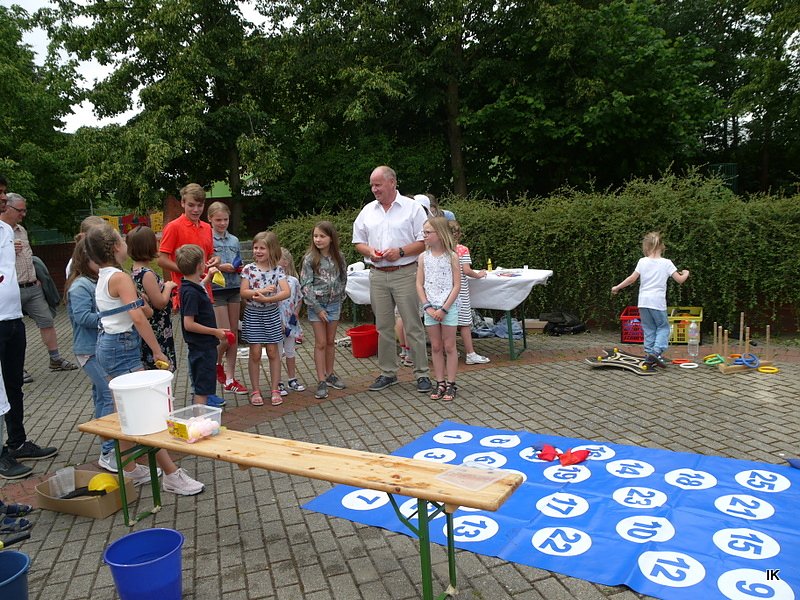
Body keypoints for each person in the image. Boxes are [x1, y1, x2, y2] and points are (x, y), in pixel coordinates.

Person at [85, 223, 204, 494]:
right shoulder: (120, 277)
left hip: (109, 345)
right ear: (116, 247)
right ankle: (172, 475)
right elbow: (138, 317)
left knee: (126, 413)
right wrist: (157, 350)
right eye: (121, 240)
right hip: (122, 346)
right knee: (144, 413)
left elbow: (142, 311)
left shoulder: (105, 274)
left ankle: (130, 468)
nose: (125, 244)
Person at [353, 166, 431, 393]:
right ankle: (388, 373)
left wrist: (401, 252)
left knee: (413, 325)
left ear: (392, 183)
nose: (374, 189)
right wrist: (369, 252)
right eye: (372, 185)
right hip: (377, 274)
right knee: (383, 327)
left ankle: (422, 374)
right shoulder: (368, 210)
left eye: (377, 184)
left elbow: (424, 241)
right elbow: (358, 241)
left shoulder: (413, 208)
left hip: (406, 272)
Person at [0, 178, 58, 480]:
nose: (2, 198)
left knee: (13, 386)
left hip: (12, 318)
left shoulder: (8, 231)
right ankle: (1, 456)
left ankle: (17, 442)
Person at [0, 193, 78, 373]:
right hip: (11, 289)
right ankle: (18, 368)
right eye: (20, 210)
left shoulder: (22, 230)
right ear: (7, 208)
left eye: (25, 210)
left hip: (32, 286)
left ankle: (55, 359)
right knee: (13, 330)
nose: (23, 214)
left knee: (47, 320)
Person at [65, 237, 119, 472]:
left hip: (98, 348)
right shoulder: (80, 286)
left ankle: (108, 442)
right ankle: (108, 451)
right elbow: (82, 318)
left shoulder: (94, 281)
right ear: (86, 260)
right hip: (89, 350)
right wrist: (115, 313)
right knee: (109, 394)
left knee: (101, 395)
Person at [612, 231, 690, 367]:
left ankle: (649, 355)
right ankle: (656, 351)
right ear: (662, 247)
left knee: (648, 328)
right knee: (663, 327)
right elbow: (680, 280)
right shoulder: (667, 263)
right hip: (657, 302)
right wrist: (686, 273)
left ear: (646, 247)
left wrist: (617, 287)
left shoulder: (642, 261)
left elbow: (631, 279)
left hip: (643, 302)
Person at [239, 231, 290, 407]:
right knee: (254, 353)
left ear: (271, 249)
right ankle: (255, 390)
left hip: (272, 314)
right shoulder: (248, 269)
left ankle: (275, 389)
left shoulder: (278, 270)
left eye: (262, 248)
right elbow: (243, 292)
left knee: (273, 352)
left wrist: (268, 299)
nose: (258, 251)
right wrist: (258, 293)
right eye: (255, 247)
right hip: (253, 314)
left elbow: (286, 291)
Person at [176, 244, 228, 408]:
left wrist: (207, 279)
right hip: (202, 347)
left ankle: (201, 420)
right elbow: (188, 324)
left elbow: (199, 288)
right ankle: (200, 423)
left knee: (204, 386)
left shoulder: (189, 285)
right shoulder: (190, 292)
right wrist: (215, 331)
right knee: (202, 390)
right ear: (200, 265)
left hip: (204, 346)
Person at [300, 221, 348, 399]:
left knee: (330, 341)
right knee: (320, 342)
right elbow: (306, 285)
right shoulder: (310, 259)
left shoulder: (338, 257)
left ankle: (330, 374)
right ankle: (320, 379)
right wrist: (318, 308)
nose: (318, 239)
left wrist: (340, 296)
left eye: (322, 236)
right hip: (316, 305)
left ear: (331, 238)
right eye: (315, 236)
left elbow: (343, 277)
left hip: (334, 303)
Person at [416, 217, 461, 401]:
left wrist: (444, 308)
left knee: (449, 346)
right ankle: (440, 381)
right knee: (435, 346)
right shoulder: (423, 257)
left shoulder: (452, 257)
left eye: (428, 232)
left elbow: (456, 285)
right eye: (424, 232)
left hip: (447, 308)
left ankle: (451, 383)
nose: (424, 235)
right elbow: (419, 284)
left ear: (439, 234)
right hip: (430, 309)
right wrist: (427, 306)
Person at [158, 183, 219, 309]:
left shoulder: (207, 227)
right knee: (191, 327)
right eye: (191, 205)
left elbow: (210, 254)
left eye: (200, 205)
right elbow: (162, 260)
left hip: (205, 288)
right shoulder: (173, 227)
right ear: (182, 203)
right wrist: (189, 270)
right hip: (185, 290)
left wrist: (216, 259)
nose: (196, 210)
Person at [207, 201, 247, 394]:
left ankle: (230, 378)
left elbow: (239, 261)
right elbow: (205, 264)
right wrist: (223, 267)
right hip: (216, 289)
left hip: (234, 287)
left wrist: (239, 266)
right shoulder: (208, 239)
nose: (222, 223)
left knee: (234, 335)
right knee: (225, 335)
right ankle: (215, 364)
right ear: (210, 220)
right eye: (218, 220)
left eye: (225, 219)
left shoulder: (234, 240)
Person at [127, 226, 178, 371]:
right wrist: (168, 287)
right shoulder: (147, 274)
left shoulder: (134, 270)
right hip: (157, 329)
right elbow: (159, 303)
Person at [448, 220, 490, 365]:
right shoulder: (462, 250)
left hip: (446, 291)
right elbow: (466, 270)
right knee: (465, 323)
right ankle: (470, 353)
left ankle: (450, 351)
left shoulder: (439, 249)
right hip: (460, 291)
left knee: (449, 323)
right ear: (458, 234)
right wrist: (478, 274)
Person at [277, 247, 306, 396]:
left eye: (278, 258)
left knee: (290, 351)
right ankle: (277, 381)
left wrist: (296, 313)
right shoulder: (273, 280)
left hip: (290, 322)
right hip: (277, 322)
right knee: (277, 353)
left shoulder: (293, 281)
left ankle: (292, 378)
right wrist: (279, 323)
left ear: (286, 262)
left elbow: (299, 298)